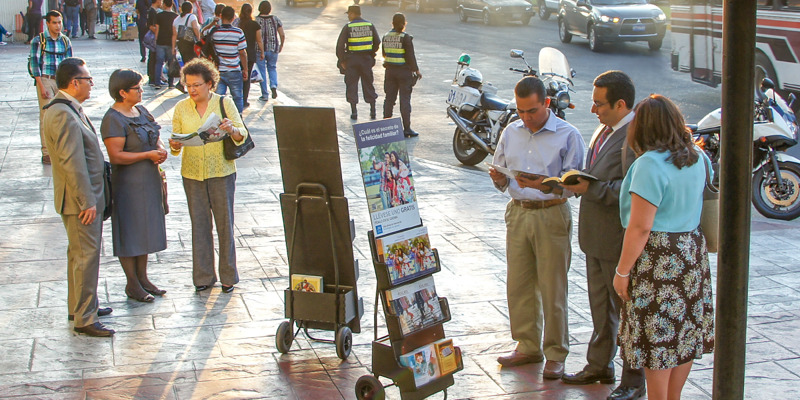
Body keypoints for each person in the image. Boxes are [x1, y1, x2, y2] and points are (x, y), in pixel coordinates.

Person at [613, 94, 714, 400]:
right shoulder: (698, 157)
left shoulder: (649, 164)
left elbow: (641, 227)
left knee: (658, 336)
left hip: (659, 257)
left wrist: (622, 271)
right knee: (683, 333)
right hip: (691, 252)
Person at [488, 76, 585, 379]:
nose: (526, 117)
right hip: (518, 212)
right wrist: (499, 179)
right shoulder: (511, 131)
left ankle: (556, 352)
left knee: (552, 287)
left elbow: (577, 185)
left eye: (531, 111)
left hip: (551, 213)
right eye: (520, 111)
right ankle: (528, 345)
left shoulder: (568, 135)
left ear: (546, 103)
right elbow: (500, 168)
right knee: (519, 284)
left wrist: (547, 185)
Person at [559, 71, 645, 400]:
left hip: (617, 239)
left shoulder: (636, 136)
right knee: (599, 308)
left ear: (621, 104)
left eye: (599, 104)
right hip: (594, 236)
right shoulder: (606, 128)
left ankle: (632, 378)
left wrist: (590, 189)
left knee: (626, 312)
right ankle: (599, 364)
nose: (593, 110)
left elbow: (634, 190)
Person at [42, 57, 114, 337]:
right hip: (79, 200)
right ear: (74, 83)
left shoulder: (69, 108)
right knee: (86, 255)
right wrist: (88, 202)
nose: (91, 84)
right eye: (88, 79)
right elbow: (72, 163)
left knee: (78, 254)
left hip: (80, 198)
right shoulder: (62, 112)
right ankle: (85, 317)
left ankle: (82, 305)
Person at [168, 57, 248, 293]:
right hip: (192, 173)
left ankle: (228, 276)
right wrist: (175, 144)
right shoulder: (181, 108)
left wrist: (231, 129)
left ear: (210, 84)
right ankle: (203, 276)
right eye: (188, 85)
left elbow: (241, 133)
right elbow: (175, 145)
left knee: (225, 225)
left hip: (220, 171)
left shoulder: (224, 102)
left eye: (197, 85)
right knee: (200, 225)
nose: (192, 90)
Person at [100, 69, 168, 303]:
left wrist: (159, 149)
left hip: (148, 178)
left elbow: (154, 132)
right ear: (122, 92)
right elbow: (116, 155)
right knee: (129, 231)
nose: (141, 91)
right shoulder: (113, 118)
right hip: (128, 183)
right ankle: (132, 282)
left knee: (145, 227)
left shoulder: (141, 110)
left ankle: (143, 277)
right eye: (136, 88)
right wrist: (147, 155)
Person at [30, 10, 73, 165]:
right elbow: (35, 65)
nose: (57, 26)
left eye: (59, 22)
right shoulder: (39, 40)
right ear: (47, 23)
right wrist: (41, 85)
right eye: (54, 23)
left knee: (63, 115)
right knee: (46, 117)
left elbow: (70, 64)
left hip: (62, 82)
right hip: (46, 80)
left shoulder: (65, 41)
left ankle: (62, 149)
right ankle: (47, 152)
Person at [336, 5, 380, 120]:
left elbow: (340, 46)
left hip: (352, 60)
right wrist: (370, 54)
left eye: (349, 14)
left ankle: (354, 112)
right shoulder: (369, 25)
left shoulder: (348, 27)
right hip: (366, 60)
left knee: (351, 85)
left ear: (352, 14)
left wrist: (342, 60)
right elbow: (377, 42)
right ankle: (373, 110)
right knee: (368, 84)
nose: (348, 17)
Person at [381, 13, 421, 138]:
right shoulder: (406, 38)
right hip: (404, 73)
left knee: (389, 99)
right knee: (404, 100)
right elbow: (410, 57)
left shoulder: (386, 36)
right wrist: (417, 71)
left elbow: (383, 54)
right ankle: (407, 128)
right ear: (404, 24)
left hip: (390, 72)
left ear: (392, 23)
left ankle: (386, 127)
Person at [211, 6, 248, 113]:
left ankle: (219, 120)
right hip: (234, 70)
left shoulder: (215, 32)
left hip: (219, 71)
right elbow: (242, 53)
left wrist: (212, 24)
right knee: (237, 98)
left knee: (218, 99)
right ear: (233, 18)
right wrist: (245, 69)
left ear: (221, 16)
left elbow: (202, 35)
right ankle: (238, 119)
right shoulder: (238, 32)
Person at [255, 0, 284, 101]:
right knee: (272, 68)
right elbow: (282, 34)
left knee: (261, 71)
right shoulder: (275, 19)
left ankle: (265, 94)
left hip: (259, 50)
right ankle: (273, 86)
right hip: (273, 48)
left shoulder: (256, 20)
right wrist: (281, 45)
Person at [172, 0, 201, 92]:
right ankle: (183, 83)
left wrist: (173, 48)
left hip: (181, 44)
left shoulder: (176, 19)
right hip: (190, 44)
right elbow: (195, 28)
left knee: (186, 64)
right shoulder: (191, 17)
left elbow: (174, 35)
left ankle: (183, 83)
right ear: (191, 9)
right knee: (193, 65)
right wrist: (199, 39)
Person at [237, 3, 262, 108]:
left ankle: (238, 98)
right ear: (251, 12)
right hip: (250, 54)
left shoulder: (238, 24)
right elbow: (259, 40)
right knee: (246, 79)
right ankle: (244, 100)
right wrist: (262, 52)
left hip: (238, 53)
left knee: (238, 77)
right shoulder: (255, 24)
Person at [153, 0, 178, 90]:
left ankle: (157, 82)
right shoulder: (175, 16)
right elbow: (175, 32)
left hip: (160, 41)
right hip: (171, 42)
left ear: (164, 4)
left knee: (159, 62)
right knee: (171, 62)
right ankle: (171, 83)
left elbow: (157, 29)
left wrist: (156, 39)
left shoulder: (159, 15)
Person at [146, 0, 162, 86]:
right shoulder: (152, 11)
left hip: (154, 37)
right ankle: (152, 78)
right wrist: (158, 33)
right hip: (153, 38)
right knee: (153, 57)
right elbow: (151, 26)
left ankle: (153, 77)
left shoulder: (153, 11)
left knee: (153, 57)